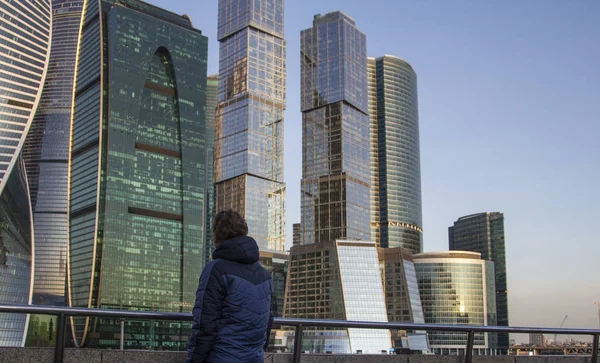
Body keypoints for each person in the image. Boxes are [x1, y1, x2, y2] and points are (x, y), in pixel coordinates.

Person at [185, 210, 274, 363]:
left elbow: (205, 325)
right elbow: (268, 322)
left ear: (216, 235)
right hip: (255, 358)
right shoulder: (265, 275)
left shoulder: (216, 269)